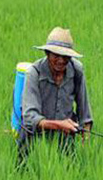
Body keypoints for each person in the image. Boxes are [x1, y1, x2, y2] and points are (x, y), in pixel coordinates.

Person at [18, 27, 93, 160]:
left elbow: (84, 112)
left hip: (64, 140)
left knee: (66, 174)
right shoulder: (34, 73)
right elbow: (30, 117)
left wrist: (85, 142)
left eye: (65, 56)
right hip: (34, 139)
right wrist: (59, 125)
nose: (61, 60)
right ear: (47, 53)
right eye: (56, 55)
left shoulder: (76, 70)